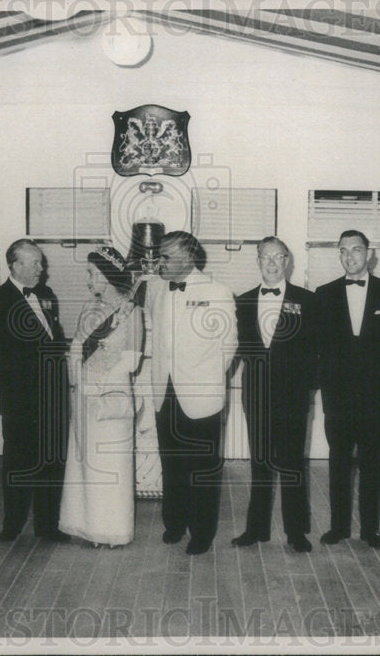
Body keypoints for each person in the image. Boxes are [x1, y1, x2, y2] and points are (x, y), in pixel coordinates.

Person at [147, 231, 237, 555]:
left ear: (187, 257)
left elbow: (229, 344)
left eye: (166, 257)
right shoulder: (155, 289)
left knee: (202, 469)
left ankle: (202, 533)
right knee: (171, 464)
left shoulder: (217, 290)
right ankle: (174, 524)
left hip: (201, 396)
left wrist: (208, 379)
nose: (160, 262)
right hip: (163, 393)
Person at [315, 229, 380, 549]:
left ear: (369, 254)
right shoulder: (323, 294)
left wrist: (369, 367)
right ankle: (338, 527)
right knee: (338, 461)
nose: (349, 256)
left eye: (356, 250)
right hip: (336, 397)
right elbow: (318, 346)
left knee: (371, 462)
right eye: (343, 251)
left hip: (374, 394)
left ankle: (370, 530)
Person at [231, 237, 320, 553]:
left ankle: (297, 532)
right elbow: (234, 351)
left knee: (294, 465)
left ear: (287, 262)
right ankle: (256, 529)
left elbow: (316, 352)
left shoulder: (307, 301)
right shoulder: (241, 302)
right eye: (265, 257)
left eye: (277, 257)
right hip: (255, 396)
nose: (271, 263)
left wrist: (305, 388)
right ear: (257, 260)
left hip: (293, 397)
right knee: (259, 463)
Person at [0, 239, 71, 543]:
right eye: (34, 263)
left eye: (41, 262)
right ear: (15, 265)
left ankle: (48, 526)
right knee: (18, 464)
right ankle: (13, 524)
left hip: (54, 399)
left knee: (52, 462)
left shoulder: (47, 296)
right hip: (20, 402)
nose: (41, 269)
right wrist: (7, 388)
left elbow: (52, 340)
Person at [59, 246, 144, 547]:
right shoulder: (87, 307)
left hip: (112, 396)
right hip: (83, 395)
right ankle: (85, 526)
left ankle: (111, 531)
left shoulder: (132, 312)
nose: (88, 279)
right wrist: (77, 381)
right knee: (85, 462)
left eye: (93, 274)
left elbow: (132, 360)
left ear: (107, 277)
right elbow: (76, 347)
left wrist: (99, 382)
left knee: (110, 465)